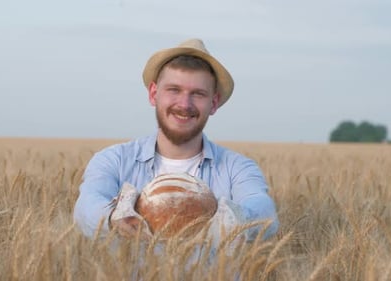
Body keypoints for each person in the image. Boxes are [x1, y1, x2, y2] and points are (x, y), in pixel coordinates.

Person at [73, 38, 279, 242]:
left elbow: (264, 212)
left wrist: (227, 218)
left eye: (198, 94)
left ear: (214, 103)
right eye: (174, 90)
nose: (184, 104)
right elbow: (86, 208)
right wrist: (116, 218)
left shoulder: (237, 168)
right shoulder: (114, 160)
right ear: (154, 94)